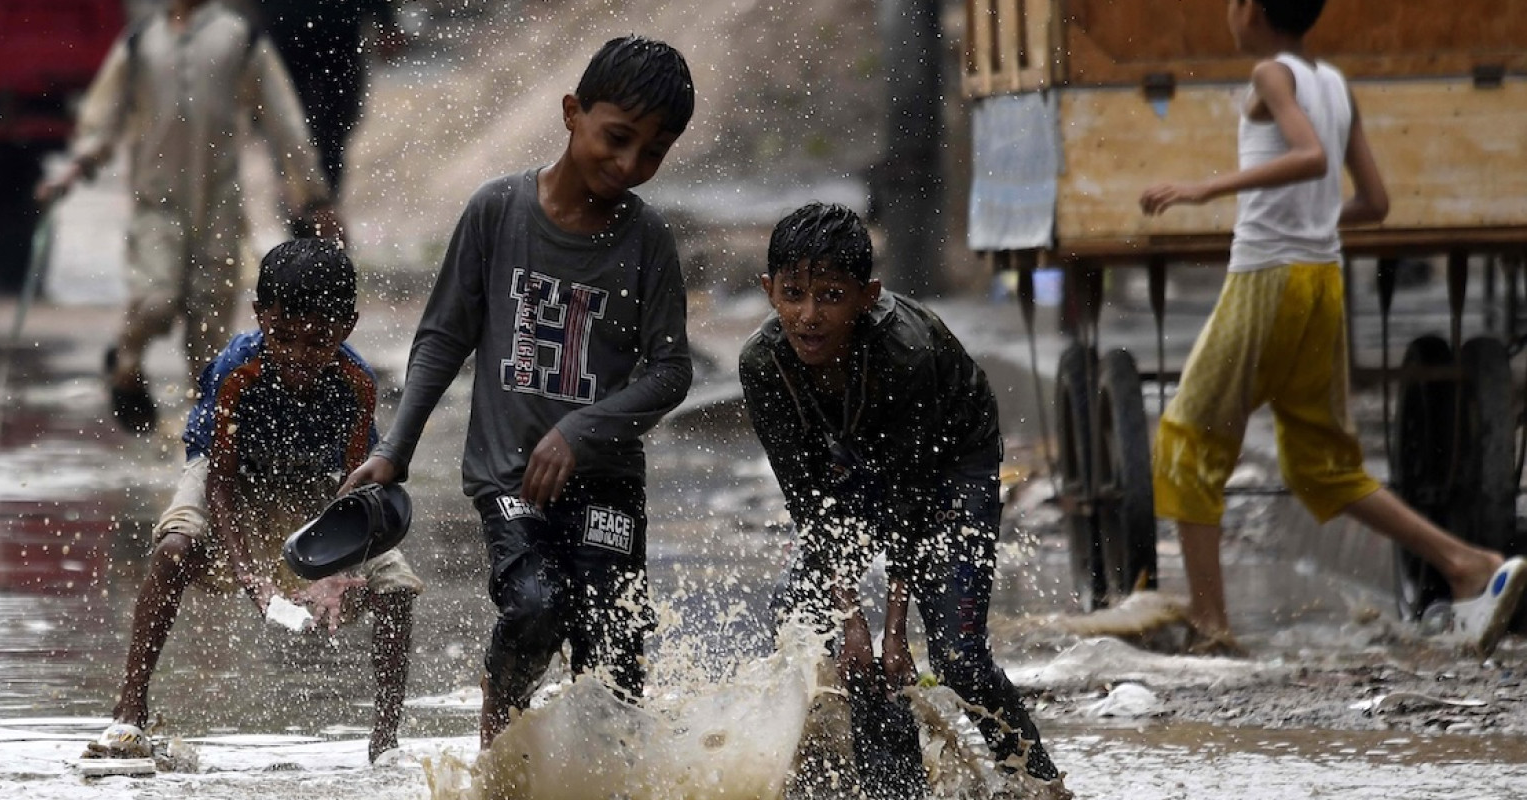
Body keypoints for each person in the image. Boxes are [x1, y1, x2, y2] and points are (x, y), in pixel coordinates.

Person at [338, 36, 695, 747]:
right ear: (572, 113)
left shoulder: (648, 239)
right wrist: (395, 449)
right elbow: (443, 337)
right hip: (509, 477)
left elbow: (670, 370)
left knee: (614, 653)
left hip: (608, 485)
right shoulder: (497, 211)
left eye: (652, 154)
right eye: (616, 139)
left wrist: (581, 430)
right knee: (537, 604)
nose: (628, 167)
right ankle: (498, 728)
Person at [1139, 0, 1526, 657]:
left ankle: (1212, 626)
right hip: (1319, 281)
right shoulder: (1334, 84)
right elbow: (1375, 202)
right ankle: (1467, 563)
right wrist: (1308, 222)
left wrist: (1208, 190)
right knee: (1324, 468)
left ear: (1253, 11)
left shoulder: (1271, 75)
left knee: (1183, 443)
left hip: (1267, 283)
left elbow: (1311, 157)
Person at [738, 203, 1065, 795]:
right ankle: (876, 783)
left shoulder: (905, 352)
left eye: (830, 297)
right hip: (851, 460)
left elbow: (908, 502)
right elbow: (809, 502)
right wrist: (852, 620)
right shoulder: (763, 364)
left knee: (957, 656)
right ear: (769, 291)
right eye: (793, 294)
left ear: (867, 296)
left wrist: (891, 629)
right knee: (809, 625)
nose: (808, 316)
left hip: (950, 461)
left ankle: (1036, 783)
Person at [85, 238, 421, 764]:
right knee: (174, 548)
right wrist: (251, 578)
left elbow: (353, 491)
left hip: (319, 483)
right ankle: (129, 710)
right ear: (262, 316)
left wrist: (337, 570)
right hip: (230, 478)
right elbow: (218, 483)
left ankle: (385, 742)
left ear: (347, 327)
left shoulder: (356, 383)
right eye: (283, 336)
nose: (297, 356)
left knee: (396, 588)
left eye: (318, 341)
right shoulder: (237, 370)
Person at [37, 0, 340, 435]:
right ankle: (125, 363)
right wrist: (72, 172)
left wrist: (313, 195)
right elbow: (104, 116)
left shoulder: (239, 37)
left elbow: (282, 119)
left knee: (209, 344)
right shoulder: (142, 41)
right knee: (155, 301)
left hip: (220, 208)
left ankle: (204, 458)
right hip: (156, 206)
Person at [254, 0, 406, 205]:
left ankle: (321, 207)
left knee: (332, 133)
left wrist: (386, 21)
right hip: (285, 33)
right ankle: (308, 207)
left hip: (339, 33)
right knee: (289, 133)